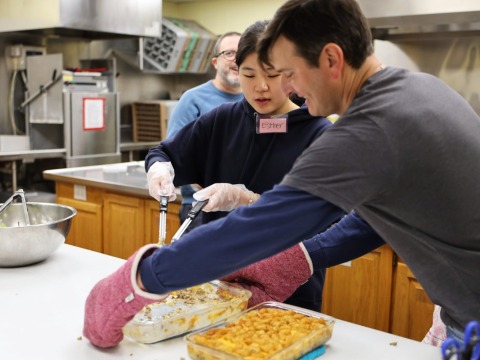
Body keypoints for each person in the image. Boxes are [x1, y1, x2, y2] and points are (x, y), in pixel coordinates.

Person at [83, 0, 480, 349]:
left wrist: (139, 279)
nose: (286, 88)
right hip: (460, 315)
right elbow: (374, 221)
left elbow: (261, 227)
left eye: (288, 72)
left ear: (330, 59)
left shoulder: (369, 127)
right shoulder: (417, 89)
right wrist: (306, 256)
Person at [145, 20, 378, 312]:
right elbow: (163, 152)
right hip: (218, 278)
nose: (261, 87)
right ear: (236, 71)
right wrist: (160, 169)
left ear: (293, 75)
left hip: (285, 289)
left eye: (272, 74)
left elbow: (334, 223)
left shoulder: (320, 134)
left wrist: (249, 200)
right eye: (249, 74)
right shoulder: (221, 119)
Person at [165, 31, 243, 232]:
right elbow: (174, 154)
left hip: (244, 207)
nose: (237, 59)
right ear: (215, 62)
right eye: (229, 53)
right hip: (201, 208)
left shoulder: (257, 101)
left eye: (243, 52)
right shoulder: (192, 100)